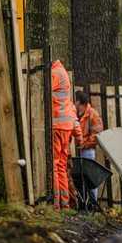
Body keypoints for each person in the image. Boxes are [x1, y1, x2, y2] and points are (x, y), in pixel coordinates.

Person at [51, 59, 82, 209]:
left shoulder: (54, 73)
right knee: (62, 165)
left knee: (55, 165)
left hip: (57, 125)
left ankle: (56, 203)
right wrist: (79, 136)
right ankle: (65, 202)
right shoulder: (62, 73)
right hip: (65, 128)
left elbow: (43, 92)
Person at [75, 90, 103, 205]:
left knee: (89, 178)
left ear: (78, 102)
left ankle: (93, 203)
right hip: (76, 150)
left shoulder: (93, 114)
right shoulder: (75, 113)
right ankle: (82, 203)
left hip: (87, 151)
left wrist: (84, 144)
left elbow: (97, 135)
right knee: (78, 178)